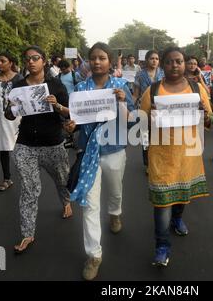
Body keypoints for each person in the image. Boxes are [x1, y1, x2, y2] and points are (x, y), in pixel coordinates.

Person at [63, 42, 134, 281]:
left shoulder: (121, 86)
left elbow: (132, 121)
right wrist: (72, 125)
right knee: (90, 205)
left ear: (110, 62)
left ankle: (115, 213)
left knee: (115, 192)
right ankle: (94, 254)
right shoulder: (81, 89)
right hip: (89, 154)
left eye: (102, 58)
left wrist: (123, 102)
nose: (96, 62)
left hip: (114, 149)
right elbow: (77, 120)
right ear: (88, 62)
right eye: (93, 58)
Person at [140, 46, 213, 267]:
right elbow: (140, 125)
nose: (175, 65)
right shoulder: (152, 91)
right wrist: (150, 116)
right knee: (162, 205)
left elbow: (208, 121)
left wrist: (202, 112)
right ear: (163, 65)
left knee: (182, 193)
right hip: (161, 156)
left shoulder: (196, 88)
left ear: (185, 64)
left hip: (188, 154)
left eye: (179, 61)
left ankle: (178, 218)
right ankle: (162, 246)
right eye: (170, 62)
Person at [4, 46, 73, 254]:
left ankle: (66, 201)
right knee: (29, 189)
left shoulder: (56, 85)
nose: (31, 62)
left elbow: (69, 115)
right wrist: (11, 108)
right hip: (26, 145)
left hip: (53, 144)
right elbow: (9, 115)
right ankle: (27, 233)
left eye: (36, 58)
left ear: (43, 61)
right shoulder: (17, 87)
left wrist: (57, 105)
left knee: (62, 180)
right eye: (28, 59)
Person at [0, 52, 23, 191]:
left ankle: (26, 175)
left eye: (3, 61)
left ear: (11, 63)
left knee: (19, 147)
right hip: (0, 119)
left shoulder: (19, 78)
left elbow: (23, 98)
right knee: (3, 148)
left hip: (16, 119)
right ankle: (7, 179)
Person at [133, 50, 165, 171]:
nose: (154, 61)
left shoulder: (163, 73)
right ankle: (147, 163)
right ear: (146, 60)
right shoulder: (140, 75)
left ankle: (158, 160)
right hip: (144, 109)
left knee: (159, 137)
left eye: (156, 59)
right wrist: (130, 108)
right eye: (152, 58)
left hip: (160, 110)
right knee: (145, 137)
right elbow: (136, 94)